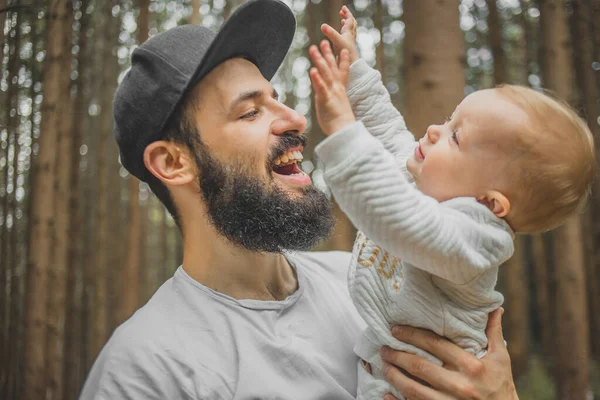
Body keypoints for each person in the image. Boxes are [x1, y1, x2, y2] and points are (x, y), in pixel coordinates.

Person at [80, 1, 519, 399]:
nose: (295, 118)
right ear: (174, 163)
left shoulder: (371, 281)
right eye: (251, 111)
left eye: (278, 98)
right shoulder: (144, 373)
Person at [308, 5, 596, 400]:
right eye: (448, 119)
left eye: (455, 137)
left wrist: (342, 130)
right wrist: (354, 68)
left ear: (489, 203)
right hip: (391, 369)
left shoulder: (476, 239)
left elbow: (397, 221)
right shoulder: (425, 185)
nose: (432, 130)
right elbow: (388, 132)